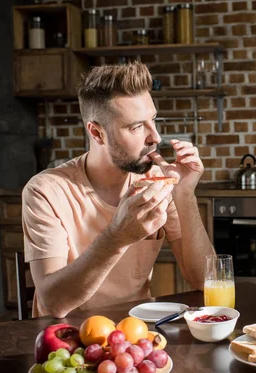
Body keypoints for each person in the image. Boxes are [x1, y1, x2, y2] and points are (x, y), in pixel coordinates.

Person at [22, 62, 214, 318]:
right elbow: (54, 303)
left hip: (136, 333)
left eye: (153, 120)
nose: (155, 137)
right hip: (66, 341)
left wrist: (185, 194)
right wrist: (117, 237)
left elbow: (204, 280)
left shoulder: (159, 183)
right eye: (136, 127)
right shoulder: (45, 191)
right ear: (97, 133)